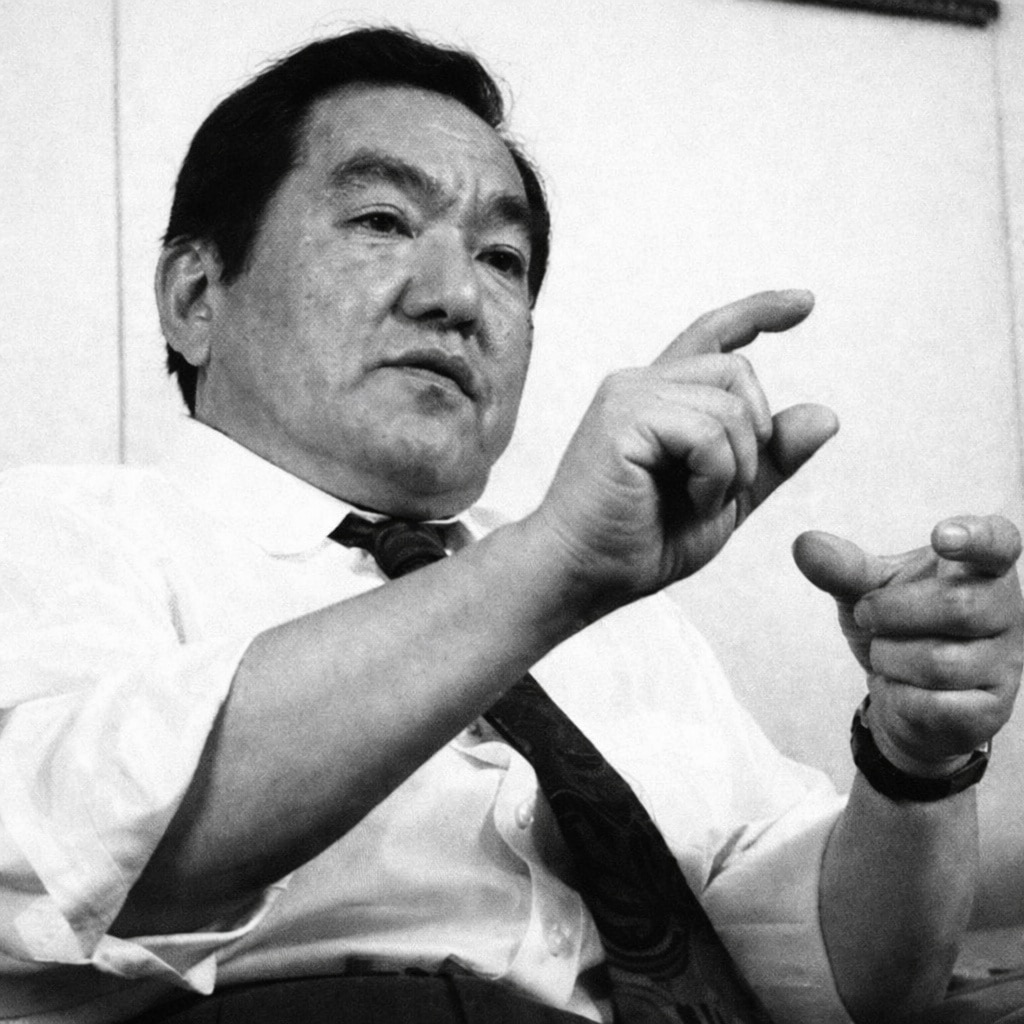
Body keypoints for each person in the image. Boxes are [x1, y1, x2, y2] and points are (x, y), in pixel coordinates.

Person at [0, 25, 1020, 1024]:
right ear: (195, 296)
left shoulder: (619, 610)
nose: (456, 298)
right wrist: (552, 567)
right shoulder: (60, 533)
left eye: (500, 256)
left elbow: (837, 979)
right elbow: (75, 854)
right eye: (382, 222)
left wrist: (912, 761)